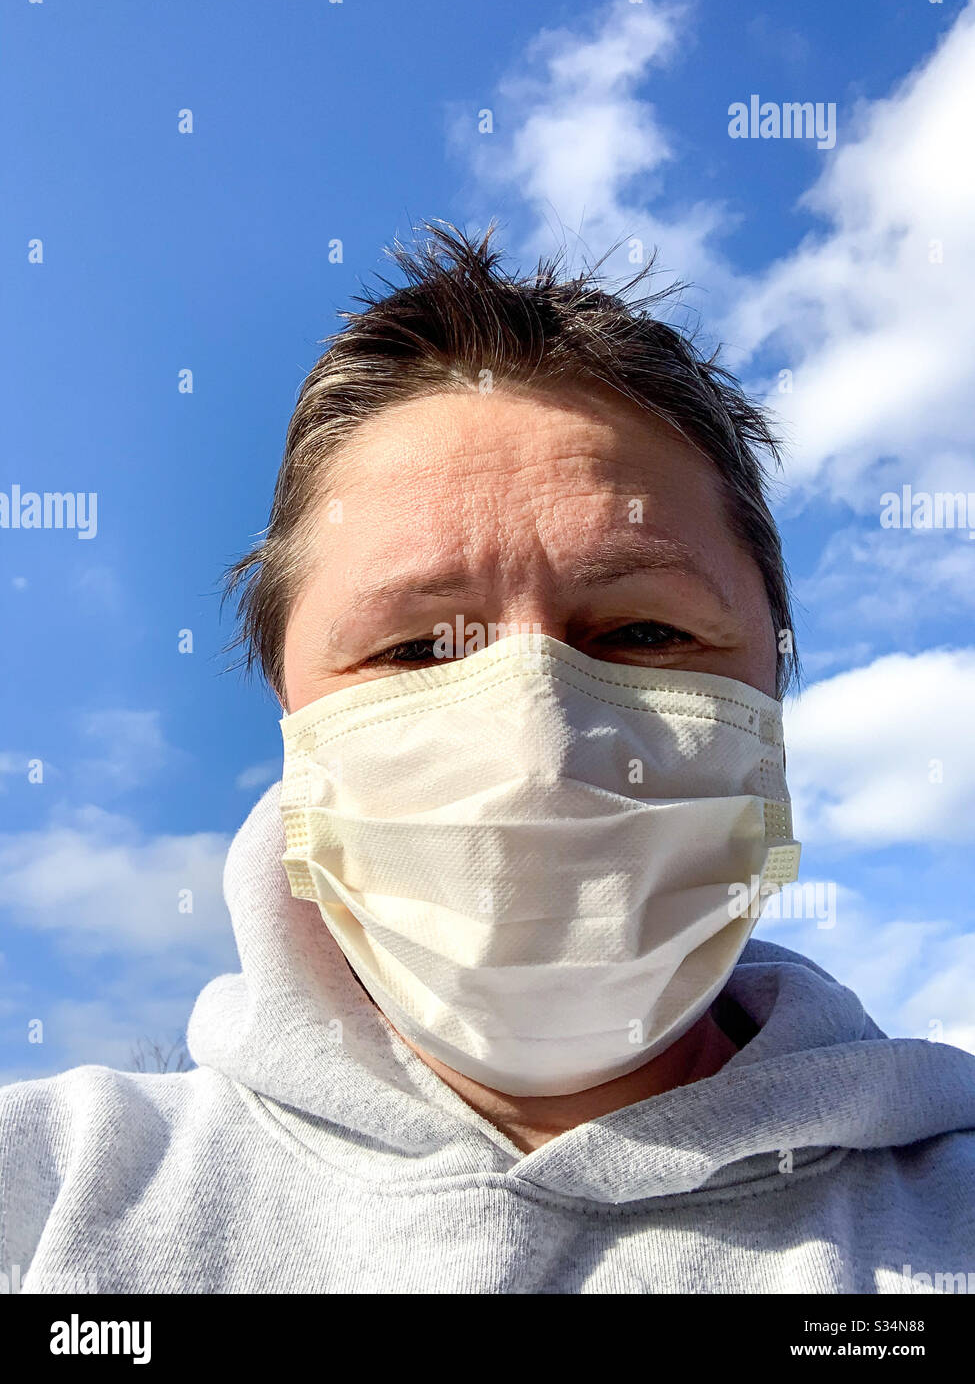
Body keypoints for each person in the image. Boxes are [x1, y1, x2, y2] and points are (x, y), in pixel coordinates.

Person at [2, 221, 973, 1295]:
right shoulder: (45, 1196)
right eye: (418, 647)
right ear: (290, 719)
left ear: (772, 690)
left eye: (644, 632)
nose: (541, 747)